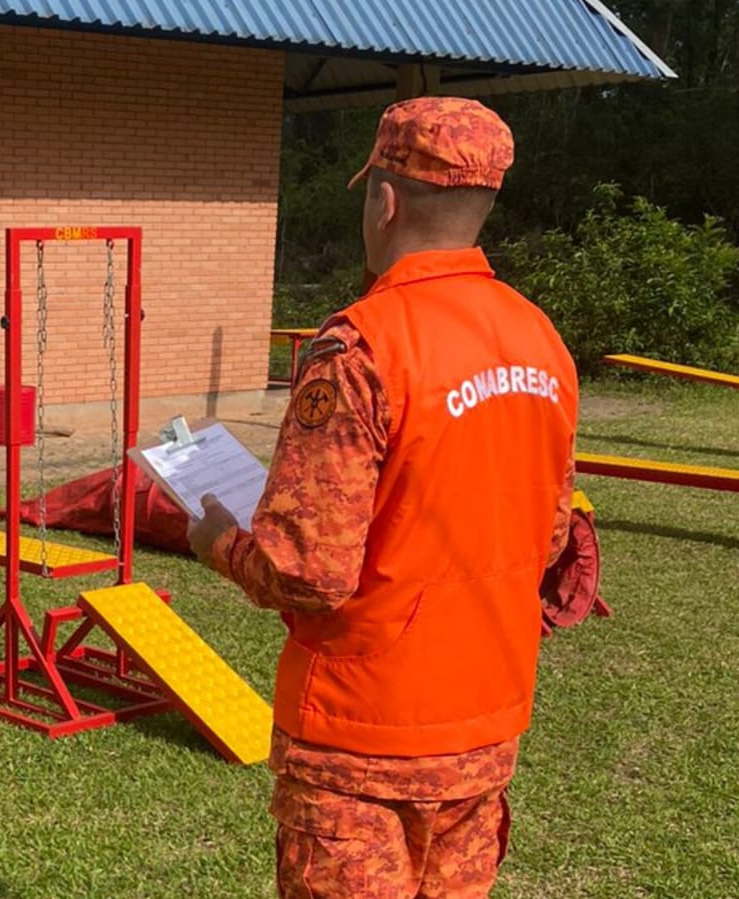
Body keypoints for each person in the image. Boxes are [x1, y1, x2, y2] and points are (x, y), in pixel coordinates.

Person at [187, 98, 579, 898]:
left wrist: (218, 540)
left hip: (359, 735)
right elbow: (548, 536)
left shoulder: (362, 350)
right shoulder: (541, 340)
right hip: (484, 722)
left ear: (384, 198)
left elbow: (306, 571)